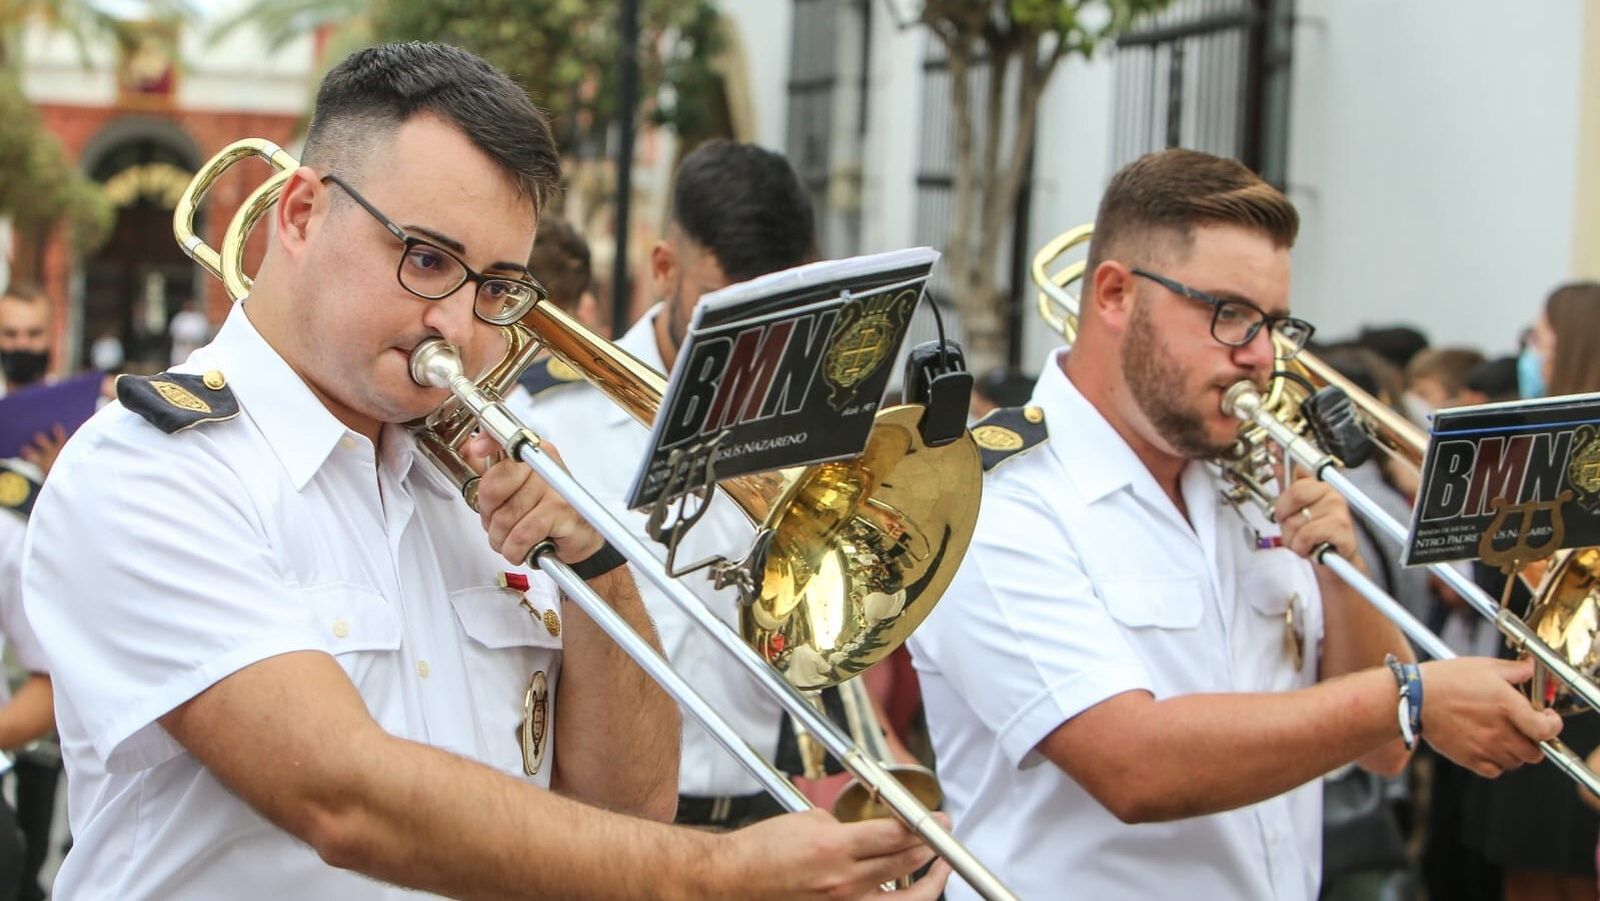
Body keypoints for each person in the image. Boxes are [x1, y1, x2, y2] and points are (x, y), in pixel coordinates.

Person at [21, 43, 946, 900]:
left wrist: (599, 570)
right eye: (426, 259)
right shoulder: (150, 472)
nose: (459, 329)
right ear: (300, 213)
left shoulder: (485, 472)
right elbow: (344, 798)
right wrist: (720, 874)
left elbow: (630, 808)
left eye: (496, 286)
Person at [907, 148, 1564, 901]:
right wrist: (1409, 695)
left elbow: (1382, 752)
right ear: (1116, 295)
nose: (1260, 356)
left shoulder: (1244, 473)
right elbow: (1132, 764)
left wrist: (1342, 574)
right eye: (1228, 314)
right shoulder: (995, 499)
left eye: (1274, 324)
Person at [506, 139, 844, 828]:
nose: (757, 343)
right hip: (601, 820)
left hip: (761, 811)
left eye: (780, 312)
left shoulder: (820, 430)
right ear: (664, 269)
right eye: (727, 310)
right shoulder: (547, 415)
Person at [1460, 282, 1600, 901]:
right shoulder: (1522, 454)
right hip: (1537, 705)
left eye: (1539, 339)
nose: (1531, 354)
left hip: (1561, 707)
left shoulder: (1533, 462)